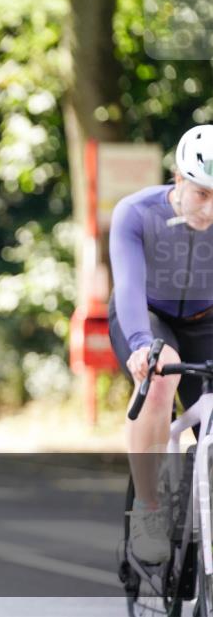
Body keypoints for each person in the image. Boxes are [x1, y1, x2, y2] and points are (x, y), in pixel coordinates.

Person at [109, 124, 213, 564]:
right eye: (202, 193)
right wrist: (140, 345)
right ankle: (148, 509)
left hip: (205, 321)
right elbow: (130, 287)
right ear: (178, 179)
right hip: (146, 316)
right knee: (160, 371)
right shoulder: (136, 213)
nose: (209, 208)